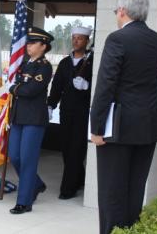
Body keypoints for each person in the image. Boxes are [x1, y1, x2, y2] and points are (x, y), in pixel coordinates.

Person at [90, 0, 157, 234]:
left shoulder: (117, 39)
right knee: (135, 190)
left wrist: (97, 128)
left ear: (122, 11)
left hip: (118, 127)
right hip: (148, 124)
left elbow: (105, 86)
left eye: (115, 12)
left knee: (112, 192)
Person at [8, 27, 54, 214]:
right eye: (28, 42)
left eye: (33, 43)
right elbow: (22, 86)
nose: (29, 46)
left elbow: (30, 90)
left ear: (43, 46)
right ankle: (36, 184)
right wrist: (18, 86)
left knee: (27, 159)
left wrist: (14, 88)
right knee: (15, 156)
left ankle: (24, 202)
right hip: (19, 115)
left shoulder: (44, 66)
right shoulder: (25, 64)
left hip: (34, 118)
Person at [47, 26, 93, 200]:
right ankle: (79, 178)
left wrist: (87, 86)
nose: (76, 41)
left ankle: (68, 188)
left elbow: (101, 87)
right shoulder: (66, 62)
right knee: (67, 148)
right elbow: (57, 86)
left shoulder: (91, 61)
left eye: (80, 38)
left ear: (87, 41)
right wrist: (51, 105)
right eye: (74, 38)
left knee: (76, 148)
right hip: (66, 111)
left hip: (82, 112)